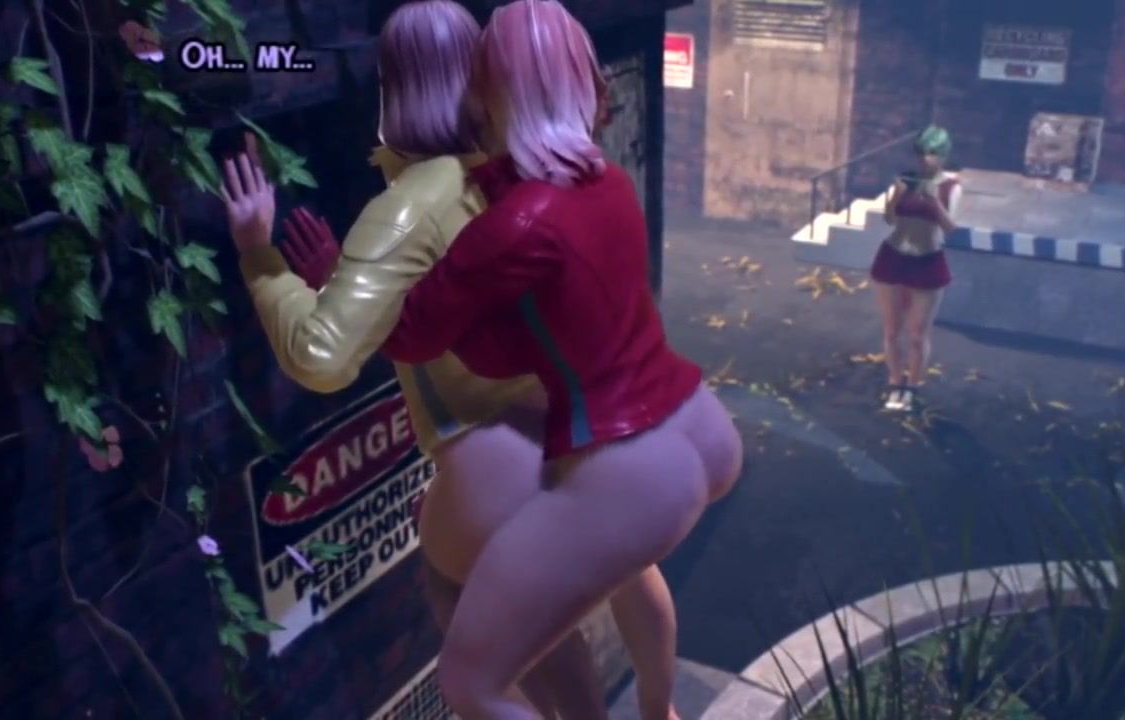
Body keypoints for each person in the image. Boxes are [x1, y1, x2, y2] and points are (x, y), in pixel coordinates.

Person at [218, 2, 608, 716]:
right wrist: (354, 283)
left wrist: (259, 257)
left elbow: (320, 358)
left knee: (476, 660)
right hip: (566, 437)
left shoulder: (411, 205)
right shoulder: (515, 170)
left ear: (394, 87)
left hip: (491, 456)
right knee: (547, 641)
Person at [375, 2, 744, 718]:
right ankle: (661, 712)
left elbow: (409, 335)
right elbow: (546, 328)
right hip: (698, 424)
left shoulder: (512, 226)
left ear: (489, 93)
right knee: (630, 571)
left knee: (471, 683)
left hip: (627, 460)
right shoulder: (606, 179)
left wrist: (330, 275)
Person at [870, 125, 962, 412]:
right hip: (893, 256)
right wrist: (896, 196)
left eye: (932, 153)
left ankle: (912, 385)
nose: (925, 159)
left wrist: (934, 201)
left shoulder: (950, 187)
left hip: (927, 261)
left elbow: (950, 227)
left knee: (917, 335)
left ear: (943, 156)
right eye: (921, 153)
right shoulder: (906, 180)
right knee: (891, 330)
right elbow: (889, 219)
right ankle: (895, 381)